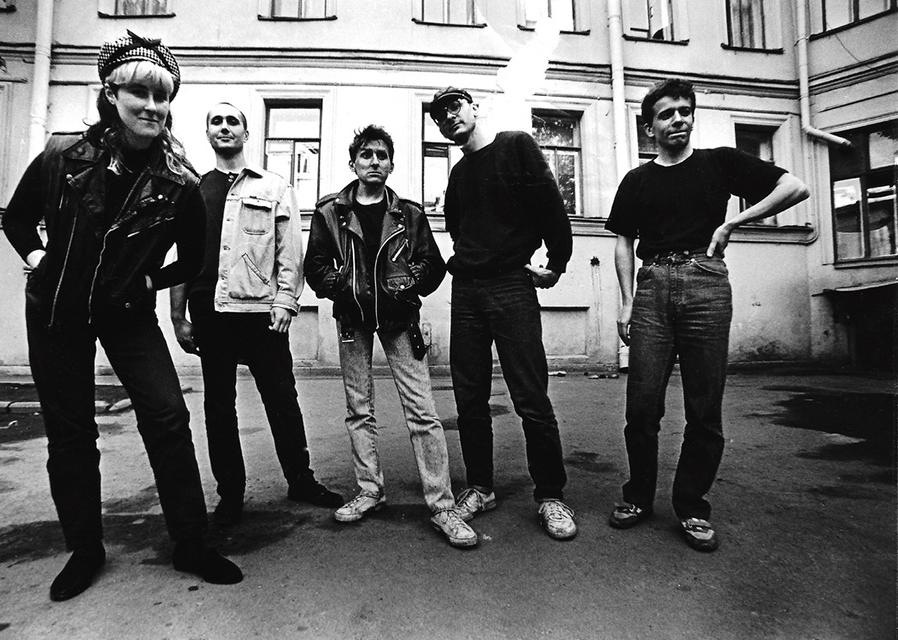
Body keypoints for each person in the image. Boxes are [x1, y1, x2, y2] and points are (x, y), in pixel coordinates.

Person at [1, 31, 242, 601]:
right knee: (71, 433)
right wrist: (39, 260)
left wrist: (147, 281)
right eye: (140, 92)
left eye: (163, 97)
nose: (152, 107)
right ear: (111, 94)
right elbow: (17, 220)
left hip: (128, 315)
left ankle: (191, 543)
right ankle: (85, 550)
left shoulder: (179, 182)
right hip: (56, 312)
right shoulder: (61, 155)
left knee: (167, 416)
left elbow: (194, 260)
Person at [606, 78, 809, 551]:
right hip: (653, 285)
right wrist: (627, 300)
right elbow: (623, 242)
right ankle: (638, 497)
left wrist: (734, 221)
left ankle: (692, 505)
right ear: (649, 127)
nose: (678, 119)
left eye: (685, 110)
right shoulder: (637, 180)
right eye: (666, 113)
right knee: (642, 407)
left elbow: (794, 187)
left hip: (706, 282)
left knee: (704, 408)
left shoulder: (719, 163)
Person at [169, 102, 343, 527]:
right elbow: (182, 257)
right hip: (210, 311)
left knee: (282, 397)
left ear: (246, 134)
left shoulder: (274, 186)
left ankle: (301, 479)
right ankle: (230, 493)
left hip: (261, 312)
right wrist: (177, 316)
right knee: (219, 405)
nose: (224, 127)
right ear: (208, 134)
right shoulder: (193, 189)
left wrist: (286, 301)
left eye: (233, 121)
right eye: (216, 121)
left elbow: (289, 251)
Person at [304, 125, 478, 549]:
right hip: (353, 319)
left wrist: (407, 283)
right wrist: (343, 287)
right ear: (353, 163)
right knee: (358, 408)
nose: (374, 162)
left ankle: (442, 505)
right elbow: (315, 265)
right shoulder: (329, 213)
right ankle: (370, 490)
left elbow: (433, 265)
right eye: (366, 155)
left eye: (382, 155)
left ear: (391, 165)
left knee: (422, 412)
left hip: (400, 320)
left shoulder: (409, 215)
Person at [431, 87, 577, 541]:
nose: (448, 117)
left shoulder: (515, 146)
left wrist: (557, 263)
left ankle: (550, 495)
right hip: (467, 293)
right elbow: (457, 231)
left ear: (474, 108)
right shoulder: (458, 174)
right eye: (439, 115)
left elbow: (551, 205)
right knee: (469, 397)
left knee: (530, 396)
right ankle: (480, 487)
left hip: (512, 286)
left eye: (455, 106)